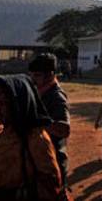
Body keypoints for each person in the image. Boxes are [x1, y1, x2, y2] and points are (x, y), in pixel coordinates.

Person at [0, 75, 64, 201]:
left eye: (3, 102)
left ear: (19, 105)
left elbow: (50, 186)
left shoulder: (34, 138)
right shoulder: (0, 132)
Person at [31, 53, 71, 188]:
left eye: (37, 75)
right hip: (39, 160)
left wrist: (37, 122)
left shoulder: (56, 97)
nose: (33, 79)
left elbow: (64, 129)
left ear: (50, 75)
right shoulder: (40, 91)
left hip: (53, 164)